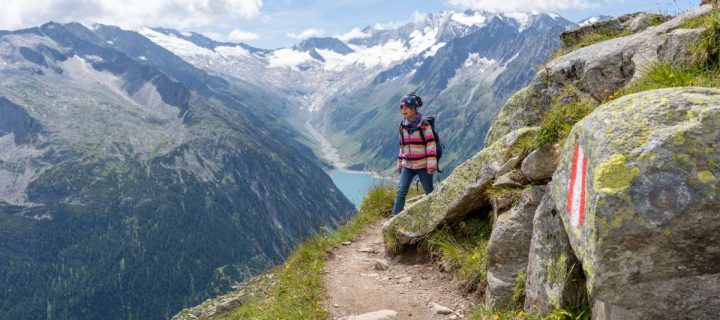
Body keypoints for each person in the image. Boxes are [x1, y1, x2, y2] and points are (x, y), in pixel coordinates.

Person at [390, 92, 437, 217]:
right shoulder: (402, 126)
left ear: (413, 108)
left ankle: (435, 215)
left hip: (423, 165)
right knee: (401, 191)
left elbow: (431, 145)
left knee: (429, 191)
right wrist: (400, 163)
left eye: (406, 106)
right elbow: (402, 146)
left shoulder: (424, 125)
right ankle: (393, 219)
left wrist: (431, 164)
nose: (403, 110)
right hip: (407, 165)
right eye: (401, 107)